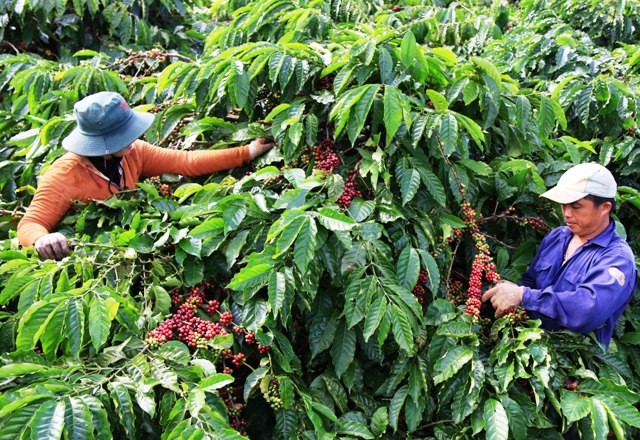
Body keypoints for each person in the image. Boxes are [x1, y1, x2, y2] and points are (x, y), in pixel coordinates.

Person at [17, 91, 274, 260]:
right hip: (92, 258)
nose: (135, 139)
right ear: (103, 143)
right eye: (125, 135)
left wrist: (247, 152)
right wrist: (43, 239)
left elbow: (186, 161)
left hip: (133, 249)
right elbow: (30, 224)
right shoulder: (63, 176)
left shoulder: (133, 152)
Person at [482, 163, 637, 347]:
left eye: (576, 206)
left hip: (571, 366)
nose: (567, 213)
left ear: (604, 207)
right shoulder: (558, 236)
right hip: (527, 349)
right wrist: (512, 292)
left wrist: (524, 296)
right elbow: (531, 281)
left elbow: (588, 310)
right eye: (564, 205)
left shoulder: (617, 259)